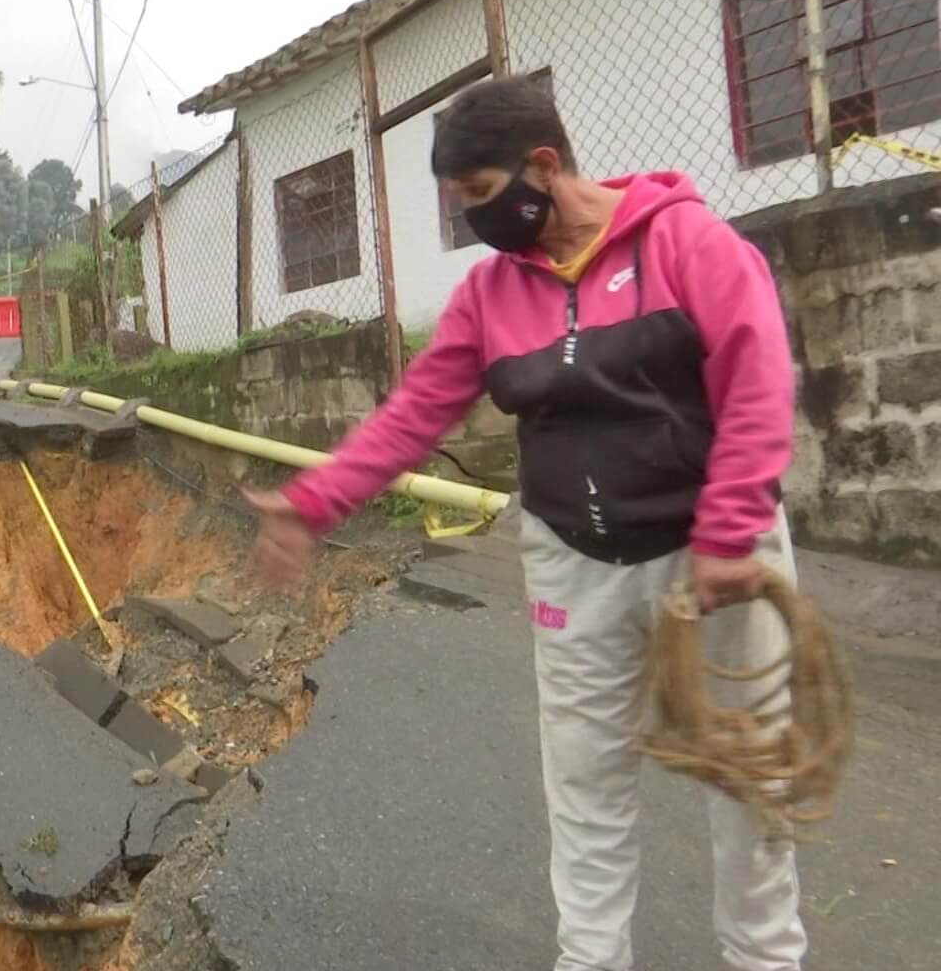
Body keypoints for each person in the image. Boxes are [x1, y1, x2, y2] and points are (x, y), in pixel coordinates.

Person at [246, 76, 805, 971]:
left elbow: (758, 383)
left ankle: (764, 959)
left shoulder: (689, 243)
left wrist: (731, 530)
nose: (473, 218)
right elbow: (414, 413)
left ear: (543, 165)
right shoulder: (488, 297)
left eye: (478, 194)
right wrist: (314, 501)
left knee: (749, 779)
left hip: (712, 554)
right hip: (573, 560)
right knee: (585, 782)